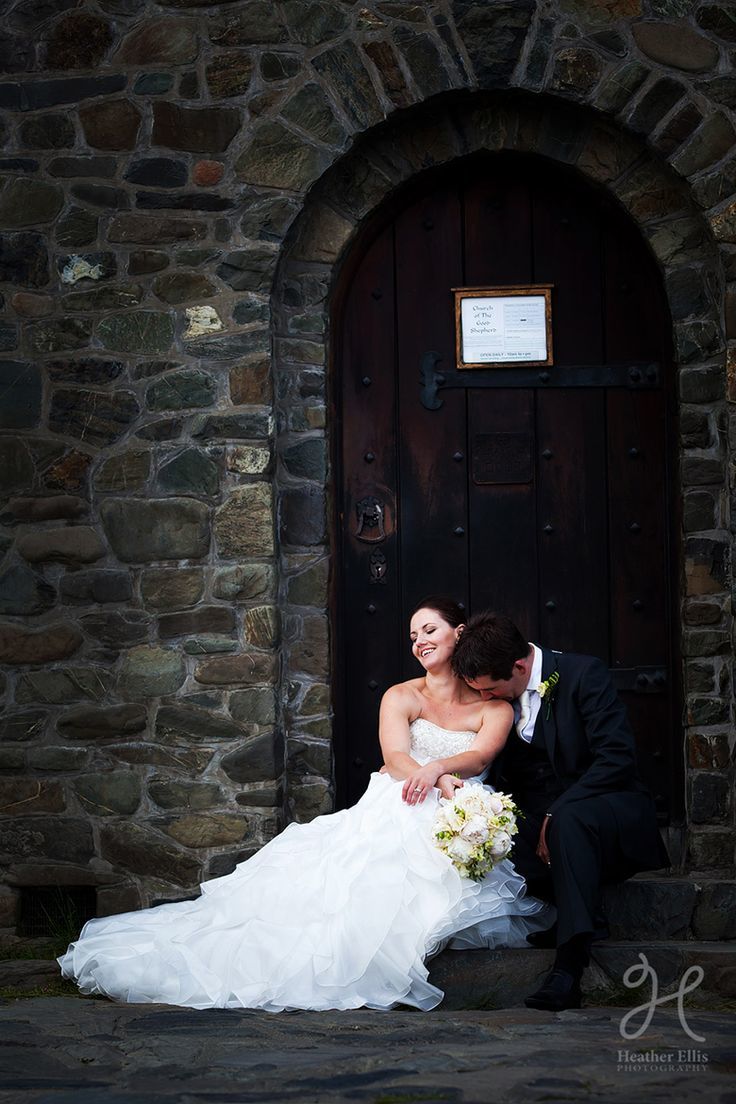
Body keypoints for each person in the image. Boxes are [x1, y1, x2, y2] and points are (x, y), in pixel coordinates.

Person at [59, 597, 551, 1012]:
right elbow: (395, 758)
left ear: (457, 632)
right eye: (412, 635)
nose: (419, 641)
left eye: (429, 630)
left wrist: (442, 774)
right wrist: (428, 777)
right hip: (400, 796)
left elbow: (481, 754)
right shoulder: (401, 695)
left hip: (460, 802)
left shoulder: (494, 704)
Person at [451, 611, 670, 1012]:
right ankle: (581, 908)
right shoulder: (500, 695)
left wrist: (556, 813)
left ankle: (569, 970)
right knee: (481, 830)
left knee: (567, 822)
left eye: (489, 690)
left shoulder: (584, 674)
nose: (484, 698)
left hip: (604, 809)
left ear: (519, 667)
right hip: (543, 819)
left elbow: (616, 760)